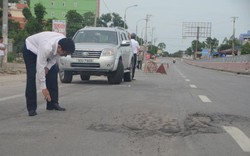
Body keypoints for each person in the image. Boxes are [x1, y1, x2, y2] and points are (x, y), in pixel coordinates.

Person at [22, 31, 75, 116]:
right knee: (31, 76)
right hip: (30, 49)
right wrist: (43, 88)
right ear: (59, 47)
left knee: (53, 71)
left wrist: (48, 67)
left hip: (44, 50)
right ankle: (31, 108)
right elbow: (40, 67)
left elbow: (56, 56)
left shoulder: (62, 41)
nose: (65, 56)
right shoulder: (46, 47)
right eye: (65, 53)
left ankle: (52, 103)